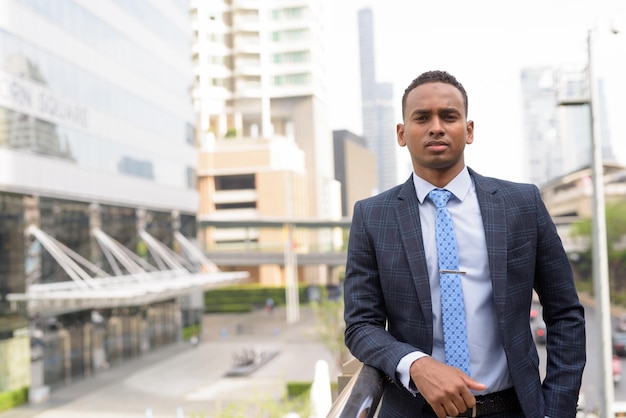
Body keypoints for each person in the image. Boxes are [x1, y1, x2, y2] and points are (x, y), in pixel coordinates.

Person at [343, 70, 586, 417]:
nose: (436, 127)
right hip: (414, 410)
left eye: (449, 116)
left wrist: (556, 410)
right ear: (401, 133)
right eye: (422, 117)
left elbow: (565, 313)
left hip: (512, 408)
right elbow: (360, 326)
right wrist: (414, 364)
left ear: (468, 130)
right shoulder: (372, 216)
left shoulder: (522, 203)